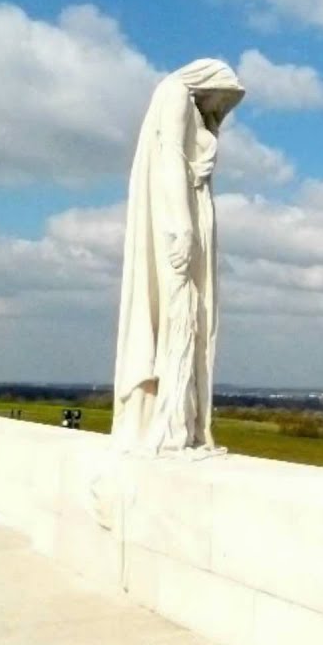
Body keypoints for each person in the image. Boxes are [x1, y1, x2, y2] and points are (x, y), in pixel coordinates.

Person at [110, 59, 245, 456]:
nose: (222, 108)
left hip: (186, 219)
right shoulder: (176, 94)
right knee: (181, 318)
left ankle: (180, 423)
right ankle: (171, 428)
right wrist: (182, 227)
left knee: (189, 320)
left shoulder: (188, 106)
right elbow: (170, 158)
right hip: (179, 226)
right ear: (210, 83)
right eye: (224, 98)